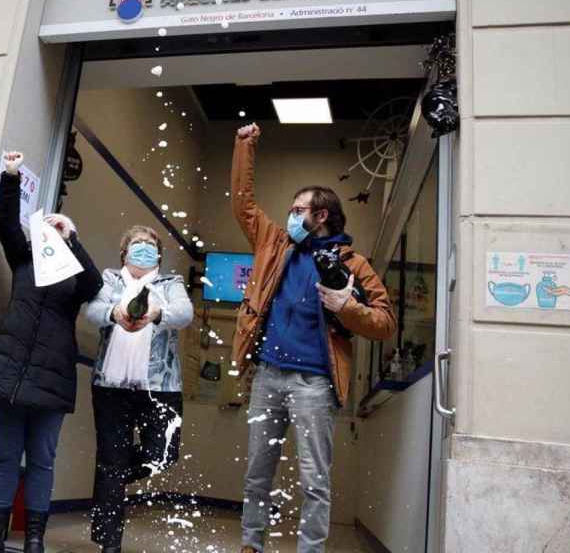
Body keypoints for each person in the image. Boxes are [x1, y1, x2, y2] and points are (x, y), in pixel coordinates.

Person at [230, 123, 395, 553]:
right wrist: (245, 145)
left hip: (314, 385)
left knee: (314, 478)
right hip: (267, 376)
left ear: (320, 216)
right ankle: (252, 544)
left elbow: (385, 322)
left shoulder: (354, 264)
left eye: (298, 207)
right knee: (256, 472)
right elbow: (243, 204)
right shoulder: (275, 244)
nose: (289, 213)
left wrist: (347, 307)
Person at [0, 151, 103, 553]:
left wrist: (72, 237)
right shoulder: (23, 259)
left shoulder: (74, 276)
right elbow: (7, 223)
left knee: (42, 460)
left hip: (52, 381)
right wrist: (10, 176)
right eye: (46, 230)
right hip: (11, 375)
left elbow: (94, 285)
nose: (49, 236)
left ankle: (35, 541)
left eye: (55, 233)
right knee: (7, 456)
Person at [84, 225, 195, 553]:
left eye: (150, 245)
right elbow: (91, 311)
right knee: (111, 458)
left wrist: (158, 312)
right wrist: (114, 312)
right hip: (111, 386)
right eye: (137, 244)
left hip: (160, 388)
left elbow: (185, 314)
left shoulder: (170, 283)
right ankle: (109, 544)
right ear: (124, 252)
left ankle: (112, 477)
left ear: (159, 254)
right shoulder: (109, 280)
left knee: (162, 454)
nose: (144, 249)